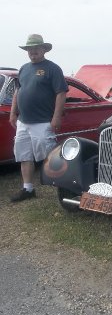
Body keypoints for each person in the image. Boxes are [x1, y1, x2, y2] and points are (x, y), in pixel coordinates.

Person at [9, 34, 68, 202]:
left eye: (36, 48)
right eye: (29, 49)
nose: (32, 51)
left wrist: (56, 117)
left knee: (49, 156)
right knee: (24, 155)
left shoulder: (52, 68)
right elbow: (18, 92)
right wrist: (14, 113)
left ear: (43, 49)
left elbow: (61, 93)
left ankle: (62, 189)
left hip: (43, 122)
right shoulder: (23, 68)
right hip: (23, 122)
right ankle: (28, 189)